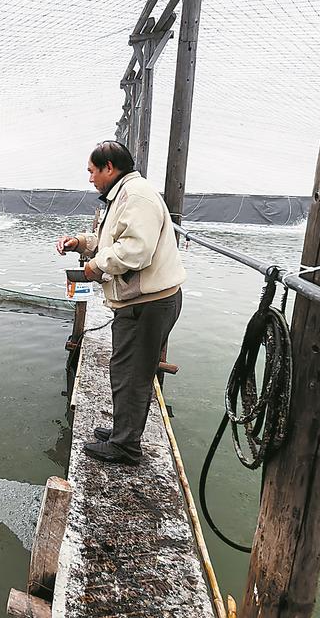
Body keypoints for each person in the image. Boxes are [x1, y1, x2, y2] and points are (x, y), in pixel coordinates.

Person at [55, 140, 186, 465]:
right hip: (144, 303)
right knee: (125, 369)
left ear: (109, 168)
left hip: (148, 304)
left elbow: (135, 251)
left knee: (131, 375)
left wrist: (94, 266)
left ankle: (125, 446)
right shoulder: (126, 194)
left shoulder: (136, 196)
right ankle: (121, 432)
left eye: (92, 171)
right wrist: (80, 243)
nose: (90, 178)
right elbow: (113, 240)